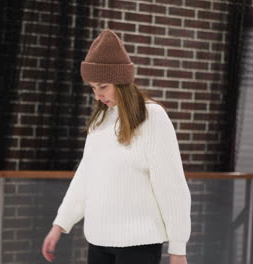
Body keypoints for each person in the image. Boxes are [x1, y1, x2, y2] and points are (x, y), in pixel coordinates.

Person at [42, 29, 191, 264]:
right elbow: (85, 178)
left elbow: (171, 186)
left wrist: (178, 249)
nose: (97, 95)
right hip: (99, 241)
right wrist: (60, 224)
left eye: (102, 86)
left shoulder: (152, 117)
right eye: (92, 87)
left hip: (139, 244)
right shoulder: (100, 123)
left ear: (122, 82)